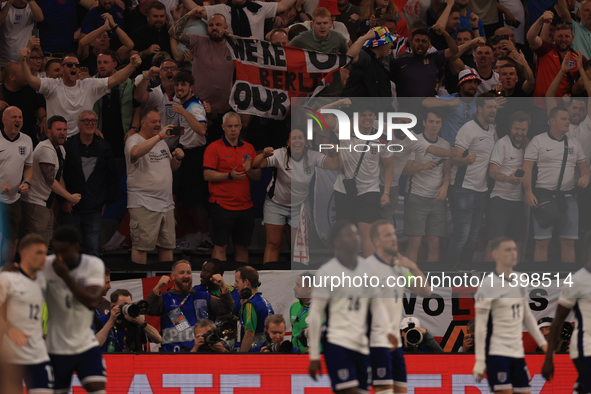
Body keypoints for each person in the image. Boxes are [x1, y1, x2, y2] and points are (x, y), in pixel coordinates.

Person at [307, 221, 394, 394]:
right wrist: (315, 355)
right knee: (348, 391)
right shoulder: (327, 272)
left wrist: (388, 332)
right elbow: (315, 314)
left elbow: (377, 304)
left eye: (356, 234)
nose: (356, 238)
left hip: (362, 343)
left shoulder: (368, 268)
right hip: (337, 342)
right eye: (349, 235)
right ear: (337, 242)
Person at [252, 128, 341, 263]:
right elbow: (256, 164)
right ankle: (268, 277)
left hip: (299, 206)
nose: (297, 141)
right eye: (294, 138)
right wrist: (263, 155)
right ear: (288, 142)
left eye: (300, 138)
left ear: (305, 142)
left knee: (298, 247)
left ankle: (297, 281)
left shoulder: (313, 156)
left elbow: (335, 165)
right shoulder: (279, 154)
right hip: (275, 204)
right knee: (273, 243)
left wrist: (337, 154)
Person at [319, 100, 394, 257]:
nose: (367, 118)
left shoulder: (382, 138)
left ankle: (368, 274)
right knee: (344, 234)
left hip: (370, 190)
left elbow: (389, 166)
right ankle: (345, 272)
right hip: (344, 189)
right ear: (357, 117)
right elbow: (320, 113)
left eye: (370, 115)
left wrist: (386, 192)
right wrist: (339, 102)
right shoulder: (344, 130)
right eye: (363, 115)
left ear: (374, 117)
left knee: (366, 231)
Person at [473, 237, 548, 392]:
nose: (514, 253)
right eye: (508, 250)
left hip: (517, 353)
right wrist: (480, 360)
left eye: (515, 249)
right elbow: (480, 326)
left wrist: (543, 343)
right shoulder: (487, 285)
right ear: (495, 254)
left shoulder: (520, 279)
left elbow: (526, 315)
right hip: (497, 353)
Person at [365, 220, 431, 394]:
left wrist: (413, 266)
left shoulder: (400, 269)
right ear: (376, 241)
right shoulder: (368, 269)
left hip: (395, 344)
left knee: (401, 391)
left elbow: (425, 291)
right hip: (377, 343)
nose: (394, 238)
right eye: (388, 235)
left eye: (394, 233)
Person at [20, 49, 142, 138]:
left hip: (81, 140)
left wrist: (132, 65)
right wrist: (23, 60)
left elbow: (115, 79)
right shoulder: (51, 85)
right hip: (56, 139)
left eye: (76, 65)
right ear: (62, 69)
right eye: (69, 65)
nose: (74, 67)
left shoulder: (89, 85)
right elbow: (29, 79)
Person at [43, 225, 107, 394]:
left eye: (64, 251)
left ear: (77, 248)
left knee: (96, 389)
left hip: (85, 343)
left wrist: (66, 277)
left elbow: (93, 302)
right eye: (56, 251)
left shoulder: (92, 264)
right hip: (55, 347)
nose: (59, 257)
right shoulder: (46, 266)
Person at [523, 106, 590, 263]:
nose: (568, 121)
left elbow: (584, 167)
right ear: (551, 121)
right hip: (543, 196)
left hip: (568, 197)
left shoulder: (574, 143)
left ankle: (567, 283)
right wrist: (528, 192)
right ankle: (541, 281)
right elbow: (526, 168)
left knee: (569, 241)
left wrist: (586, 176)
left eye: (568, 119)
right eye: (563, 119)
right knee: (542, 242)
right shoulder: (538, 140)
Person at [125, 110, 184, 264]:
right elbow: (135, 152)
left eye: (159, 121)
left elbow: (170, 167)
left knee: (167, 246)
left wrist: (177, 159)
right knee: (141, 247)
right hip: (144, 203)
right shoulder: (134, 140)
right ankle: (139, 286)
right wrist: (159, 137)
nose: (158, 124)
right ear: (143, 123)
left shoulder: (162, 142)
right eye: (154, 122)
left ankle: (166, 286)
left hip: (166, 205)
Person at [447, 93, 498, 267]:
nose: (493, 110)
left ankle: (465, 271)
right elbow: (454, 159)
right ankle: (449, 273)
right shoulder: (468, 129)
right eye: (490, 107)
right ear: (480, 109)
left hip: (481, 190)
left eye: (495, 107)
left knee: (473, 235)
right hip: (462, 189)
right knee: (462, 234)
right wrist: (465, 160)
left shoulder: (492, 129)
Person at [203, 112, 261, 263]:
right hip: (222, 205)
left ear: (241, 127)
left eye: (236, 126)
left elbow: (258, 176)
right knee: (220, 246)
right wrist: (229, 175)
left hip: (245, 205)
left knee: (242, 247)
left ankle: (243, 284)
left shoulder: (249, 148)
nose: (233, 129)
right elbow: (207, 175)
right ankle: (216, 282)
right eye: (230, 126)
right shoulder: (213, 147)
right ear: (223, 127)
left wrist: (249, 171)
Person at [169, 12, 234, 143]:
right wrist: (189, 14)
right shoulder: (199, 41)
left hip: (226, 110)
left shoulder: (234, 46)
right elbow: (173, 33)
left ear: (226, 28)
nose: (214, 27)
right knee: (199, 148)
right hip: (198, 109)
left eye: (218, 25)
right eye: (211, 25)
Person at [0, 234, 53, 394]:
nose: (43, 257)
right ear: (24, 254)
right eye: (38, 253)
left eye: (45, 253)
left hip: (38, 353)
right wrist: (10, 329)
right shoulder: (8, 279)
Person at [61, 110, 118, 257]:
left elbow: (111, 177)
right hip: (71, 208)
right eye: (86, 120)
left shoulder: (105, 147)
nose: (90, 123)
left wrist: (106, 201)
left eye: (93, 120)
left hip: (94, 209)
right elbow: (60, 175)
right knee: (68, 251)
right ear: (79, 124)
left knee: (93, 250)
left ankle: (92, 280)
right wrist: (63, 199)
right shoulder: (68, 146)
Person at [146, 260, 234, 352]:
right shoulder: (165, 298)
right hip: (172, 357)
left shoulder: (204, 296)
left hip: (201, 356)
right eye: (181, 273)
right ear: (173, 276)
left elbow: (227, 308)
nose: (186, 276)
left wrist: (222, 286)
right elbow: (149, 309)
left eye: (188, 272)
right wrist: (158, 287)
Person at [541, 233, 591, 394]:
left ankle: (581, 386)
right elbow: (558, 321)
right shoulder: (578, 281)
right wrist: (549, 358)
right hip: (586, 347)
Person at [20, 116, 81, 244]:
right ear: (48, 132)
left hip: (46, 204)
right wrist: (70, 197)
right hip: (35, 203)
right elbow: (50, 180)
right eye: (58, 129)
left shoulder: (61, 149)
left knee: (44, 244)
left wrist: (65, 199)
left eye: (64, 129)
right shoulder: (45, 150)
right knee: (37, 246)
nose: (62, 133)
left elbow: (60, 176)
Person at [402, 110, 451, 263]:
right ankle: (409, 283)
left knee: (435, 243)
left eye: (437, 122)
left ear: (441, 124)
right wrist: (422, 166)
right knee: (414, 243)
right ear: (423, 122)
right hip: (416, 196)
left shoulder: (445, 145)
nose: (434, 125)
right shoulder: (414, 140)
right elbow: (404, 170)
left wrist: (445, 187)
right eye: (431, 121)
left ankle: (432, 284)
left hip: (436, 199)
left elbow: (447, 172)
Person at [171, 71, 212, 249]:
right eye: (177, 84)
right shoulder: (184, 102)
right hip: (183, 151)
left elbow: (201, 131)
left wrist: (183, 112)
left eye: (183, 85)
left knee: (195, 200)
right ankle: (172, 239)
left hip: (195, 155)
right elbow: (186, 129)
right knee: (175, 197)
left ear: (191, 87)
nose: (180, 88)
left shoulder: (194, 106)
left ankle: (206, 239)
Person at [484, 111, 529, 262]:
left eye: (523, 129)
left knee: (517, 242)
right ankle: (486, 279)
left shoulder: (528, 146)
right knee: (494, 241)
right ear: (510, 127)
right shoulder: (502, 144)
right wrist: (508, 179)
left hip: (518, 200)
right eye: (517, 129)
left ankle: (515, 280)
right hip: (500, 199)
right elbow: (492, 172)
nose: (520, 132)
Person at [289, 7, 348, 96]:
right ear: (312, 24)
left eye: (325, 23)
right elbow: (287, 52)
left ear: (330, 24)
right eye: (318, 23)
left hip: (331, 88)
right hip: (308, 87)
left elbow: (347, 56)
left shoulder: (338, 38)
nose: (322, 27)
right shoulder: (301, 38)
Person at [0, 107, 33, 263]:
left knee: (13, 239)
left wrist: (26, 181)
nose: (18, 120)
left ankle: (5, 273)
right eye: (14, 117)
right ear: (4, 120)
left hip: (14, 199)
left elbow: (29, 166)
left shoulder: (26, 140)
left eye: (20, 117)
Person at [93, 49, 139, 159]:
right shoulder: (91, 83)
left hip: (122, 135)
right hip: (99, 135)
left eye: (105, 62)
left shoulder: (128, 84)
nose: (102, 65)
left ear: (114, 64)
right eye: (99, 62)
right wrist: (92, 128)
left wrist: (134, 128)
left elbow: (137, 108)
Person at [390, 27, 459, 98]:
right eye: (417, 40)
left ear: (429, 44)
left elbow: (454, 50)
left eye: (424, 41)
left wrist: (444, 33)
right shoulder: (399, 61)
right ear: (411, 42)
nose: (420, 43)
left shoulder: (434, 58)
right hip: (406, 108)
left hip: (427, 107)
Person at [422, 68, 481, 146]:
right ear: (461, 85)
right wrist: (449, 103)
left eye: (475, 82)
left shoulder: (479, 102)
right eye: (469, 82)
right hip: (450, 151)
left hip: (472, 151)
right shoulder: (451, 99)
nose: (473, 85)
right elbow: (426, 102)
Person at [185, 0, 297, 40]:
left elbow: (283, 5)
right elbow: (195, 10)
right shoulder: (221, 9)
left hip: (257, 56)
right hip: (233, 58)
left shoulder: (258, 7)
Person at [96, 289, 162, 352]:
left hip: (131, 362)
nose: (127, 308)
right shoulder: (101, 320)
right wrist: (111, 321)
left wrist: (142, 322)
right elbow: (95, 345)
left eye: (129, 305)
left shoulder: (134, 322)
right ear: (113, 306)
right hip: (107, 362)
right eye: (124, 305)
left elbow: (158, 339)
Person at [0, 62, 46, 145]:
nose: (26, 75)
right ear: (12, 77)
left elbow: (38, 107)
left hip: (29, 137)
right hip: (4, 141)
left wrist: (43, 118)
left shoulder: (29, 89)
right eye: (23, 73)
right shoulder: (1, 91)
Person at [343, 28, 394, 98]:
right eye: (389, 42)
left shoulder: (385, 61)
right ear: (382, 44)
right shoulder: (365, 56)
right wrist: (365, 38)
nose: (391, 45)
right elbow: (350, 57)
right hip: (358, 107)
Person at [234, 266, 274, 352]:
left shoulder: (250, 304)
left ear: (246, 282)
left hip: (254, 352)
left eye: (237, 281)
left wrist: (241, 357)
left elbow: (249, 333)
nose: (235, 285)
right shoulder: (266, 302)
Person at [0, 0, 44, 66]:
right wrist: (9, 3)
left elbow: (40, 18)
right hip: (4, 60)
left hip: (25, 60)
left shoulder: (31, 7)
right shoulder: (4, 5)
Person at [132, 1, 172, 71]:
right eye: (155, 16)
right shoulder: (139, 32)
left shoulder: (169, 31)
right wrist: (145, 52)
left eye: (162, 16)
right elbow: (130, 56)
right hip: (145, 73)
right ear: (148, 17)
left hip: (168, 72)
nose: (159, 19)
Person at [290, 272, 311, 352]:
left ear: (309, 289)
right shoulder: (294, 307)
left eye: (298, 285)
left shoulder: (321, 310)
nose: (294, 288)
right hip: (294, 358)